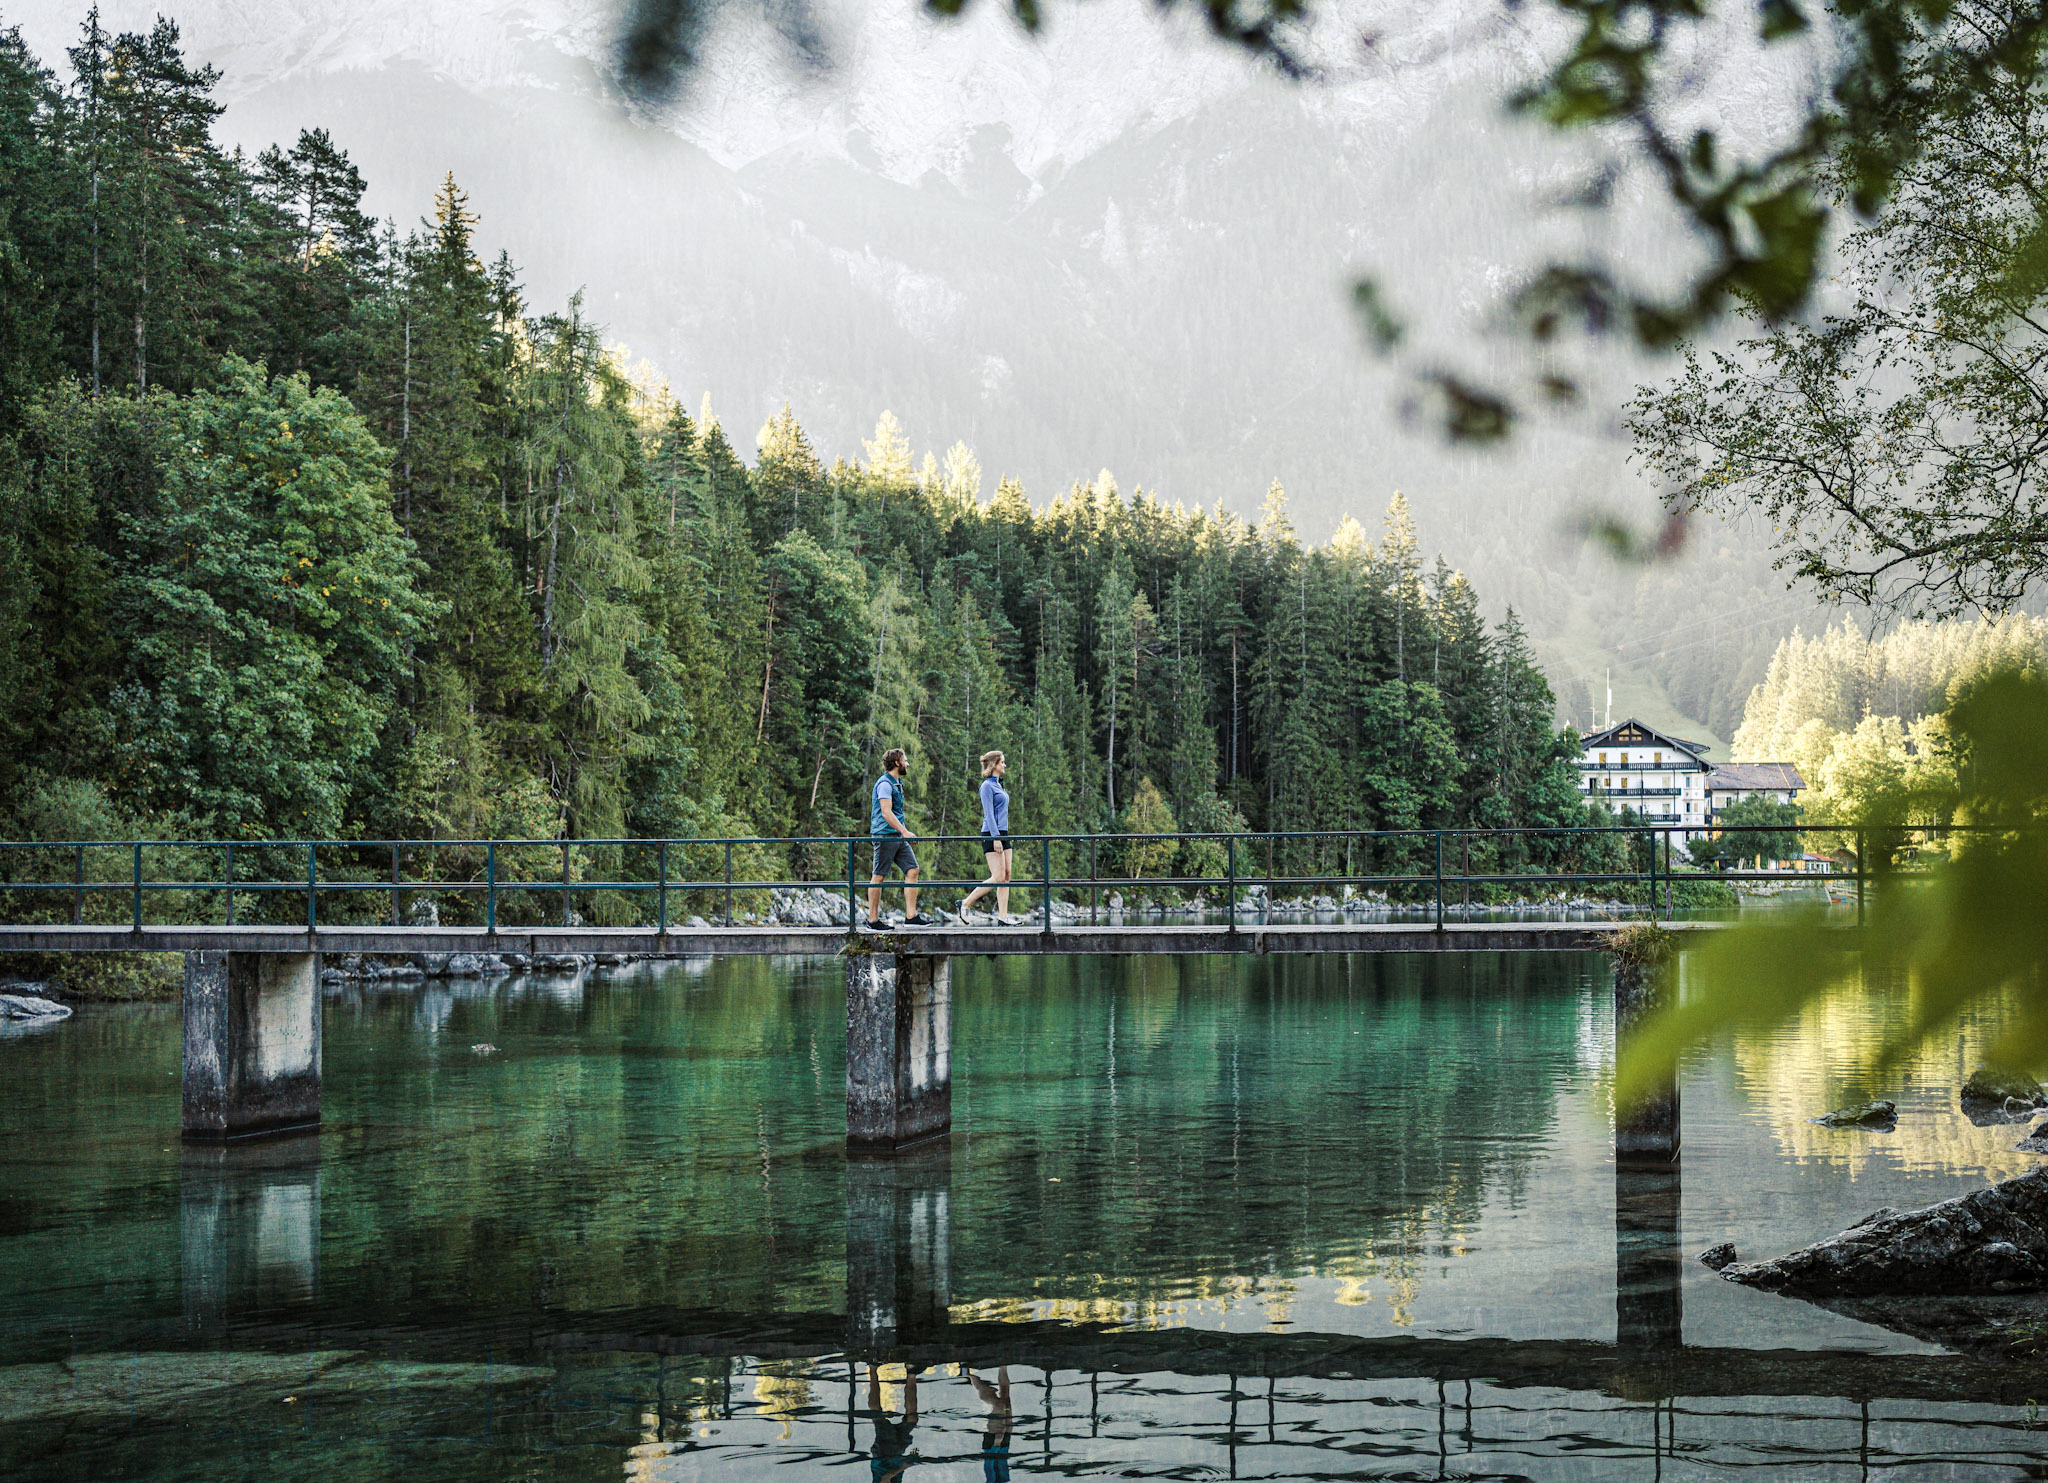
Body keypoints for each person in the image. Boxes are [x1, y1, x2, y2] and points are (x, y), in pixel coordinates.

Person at [868, 748, 936, 927]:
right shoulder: (885, 783)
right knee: (878, 876)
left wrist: (902, 832)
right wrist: (905, 831)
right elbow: (885, 812)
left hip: (897, 835)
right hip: (885, 835)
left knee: (912, 869)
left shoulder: (896, 783)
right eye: (905, 760)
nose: (907, 763)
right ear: (897, 763)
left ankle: (911, 917)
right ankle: (872, 920)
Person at [960, 750, 1020, 924]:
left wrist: (1002, 835)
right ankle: (965, 903)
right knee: (998, 876)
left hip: (1003, 832)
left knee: (1007, 875)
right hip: (992, 833)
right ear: (994, 764)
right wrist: (996, 837)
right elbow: (989, 814)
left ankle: (1003, 918)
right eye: (1002, 762)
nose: (1004, 765)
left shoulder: (999, 784)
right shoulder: (986, 786)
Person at [865, 1363, 921, 1483]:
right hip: (897, 1453)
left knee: (877, 1414)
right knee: (912, 1419)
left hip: (884, 1453)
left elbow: (886, 1477)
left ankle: (873, 1368)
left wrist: (905, 1466)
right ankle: (911, 1373)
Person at [966, 1367, 1012, 1483]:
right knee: (1005, 1397)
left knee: (999, 1405)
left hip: (992, 1446)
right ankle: (1003, 1364)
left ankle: (974, 1381)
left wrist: (997, 1442)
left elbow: (989, 1467)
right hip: (1004, 1447)